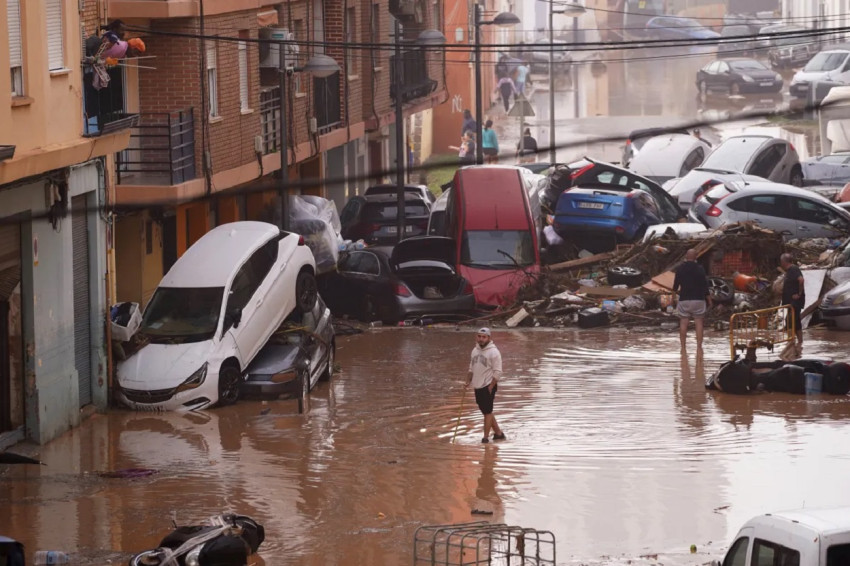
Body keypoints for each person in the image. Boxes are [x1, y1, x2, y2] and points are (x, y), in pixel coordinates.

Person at [465, 327, 505, 444]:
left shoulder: (494, 352)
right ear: (476, 337)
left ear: (489, 338)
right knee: (486, 411)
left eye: (484, 337)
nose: (481, 339)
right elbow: (471, 368)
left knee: (487, 412)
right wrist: (468, 381)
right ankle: (498, 434)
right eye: (479, 336)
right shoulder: (474, 350)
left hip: (488, 385)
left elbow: (498, 372)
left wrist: (491, 386)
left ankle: (485, 438)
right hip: (477, 385)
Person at [673, 248, 712, 352]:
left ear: (686, 256)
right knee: (699, 323)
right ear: (695, 257)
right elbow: (705, 285)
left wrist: (674, 298)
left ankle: (683, 348)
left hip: (684, 299)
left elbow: (675, 286)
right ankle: (699, 347)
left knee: (683, 323)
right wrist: (709, 299)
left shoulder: (680, 269)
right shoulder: (700, 268)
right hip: (698, 300)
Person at [781, 253, 805, 353]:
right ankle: (800, 344)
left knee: (789, 320)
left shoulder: (794, 269)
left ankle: (791, 344)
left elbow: (801, 280)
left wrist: (799, 294)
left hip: (795, 302)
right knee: (797, 322)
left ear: (783, 262)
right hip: (791, 303)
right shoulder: (789, 271)